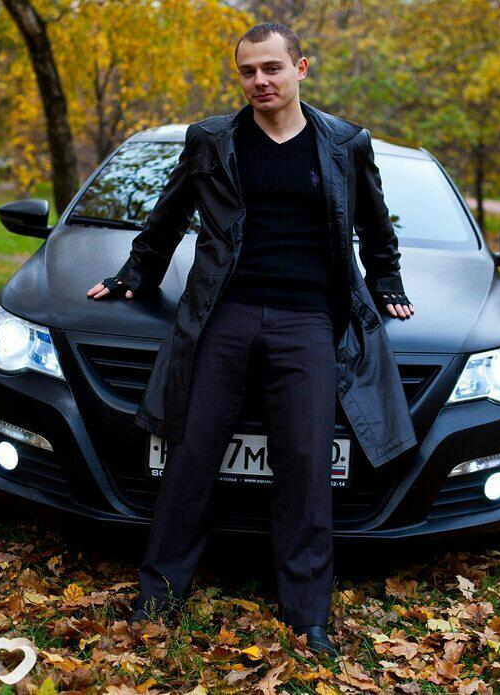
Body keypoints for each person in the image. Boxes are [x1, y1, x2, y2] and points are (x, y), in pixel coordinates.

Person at [87, 22, 414, 658]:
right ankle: (159, 594)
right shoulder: (213, 140)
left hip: (308, 320)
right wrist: (135, 273)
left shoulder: (344, 143)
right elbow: (169, 214)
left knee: (306, 463)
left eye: (271, 68)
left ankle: (307, 615)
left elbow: (376, 226)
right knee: (190, 453)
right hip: (226, 314)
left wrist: (387, 282)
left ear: (301, 69)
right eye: (247, 71)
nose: (259, 81)